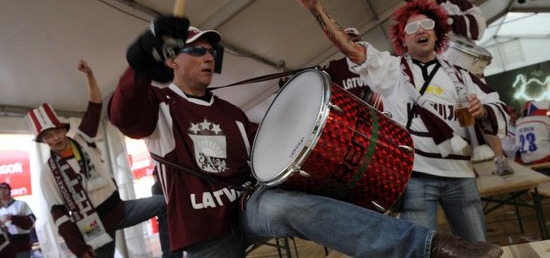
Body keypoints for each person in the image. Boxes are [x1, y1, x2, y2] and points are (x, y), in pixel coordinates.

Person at [108, 14, 503, 258]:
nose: (210, 56)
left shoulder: (231, 112)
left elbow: (267, 157)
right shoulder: (160, 105)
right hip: (204, 225)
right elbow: (123, 112)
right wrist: (143, 57)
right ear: (172, 58)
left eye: (213, 50)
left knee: (287, 205)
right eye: (197, 50)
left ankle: (427, 248)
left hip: (248, 205)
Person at [296, 0, 509, 243]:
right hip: (416, 179)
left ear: (437, 33)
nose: (420, 30)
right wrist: (316, 8)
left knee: (478, 246)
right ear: (403, 40)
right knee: (416, 249)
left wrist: (483, 110)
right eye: (411, 28)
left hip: (462, 175)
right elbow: (350, 48)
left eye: (427, 25)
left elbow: (496, 105)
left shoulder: (461, 76)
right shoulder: (392, 70)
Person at [26, 60, 171, 258]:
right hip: (94, 229)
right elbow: (59, 215)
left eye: (57, 132)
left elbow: (95, 107)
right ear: (43, 141)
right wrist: (80, 248)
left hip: (120, 210)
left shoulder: (83, 141)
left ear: (64, 129)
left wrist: (90, 76)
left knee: (167, 203)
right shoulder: (47, 173)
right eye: (48, 136)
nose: (55, 138)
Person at [401, 0, 510, 171]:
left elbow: (479, 26)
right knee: (452, 117)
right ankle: (466, 165)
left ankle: (500, 157)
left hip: (467, 71)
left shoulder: (454, 2)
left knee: (483, 110)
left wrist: (446, 20)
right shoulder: (414, 18)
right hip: (438, 77)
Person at [322, 27, 383, 110]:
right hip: (353, 116)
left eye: (355, 40)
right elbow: (322, 83)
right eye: (347, 42)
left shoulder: (375, 60)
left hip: (380, 113)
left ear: (361, 42)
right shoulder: (335, 66)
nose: (352, 44)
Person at [0, 182, 35, 258]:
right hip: (5, 248)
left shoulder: (21, 204)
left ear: (7, 190)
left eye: (1, 188)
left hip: (22, 246)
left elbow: (31, 221)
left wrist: (12, 218)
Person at [515, 101, 550, 166]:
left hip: (526, 160)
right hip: (545, 157)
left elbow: (517, 144)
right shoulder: (544, 119)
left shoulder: (518, 122)